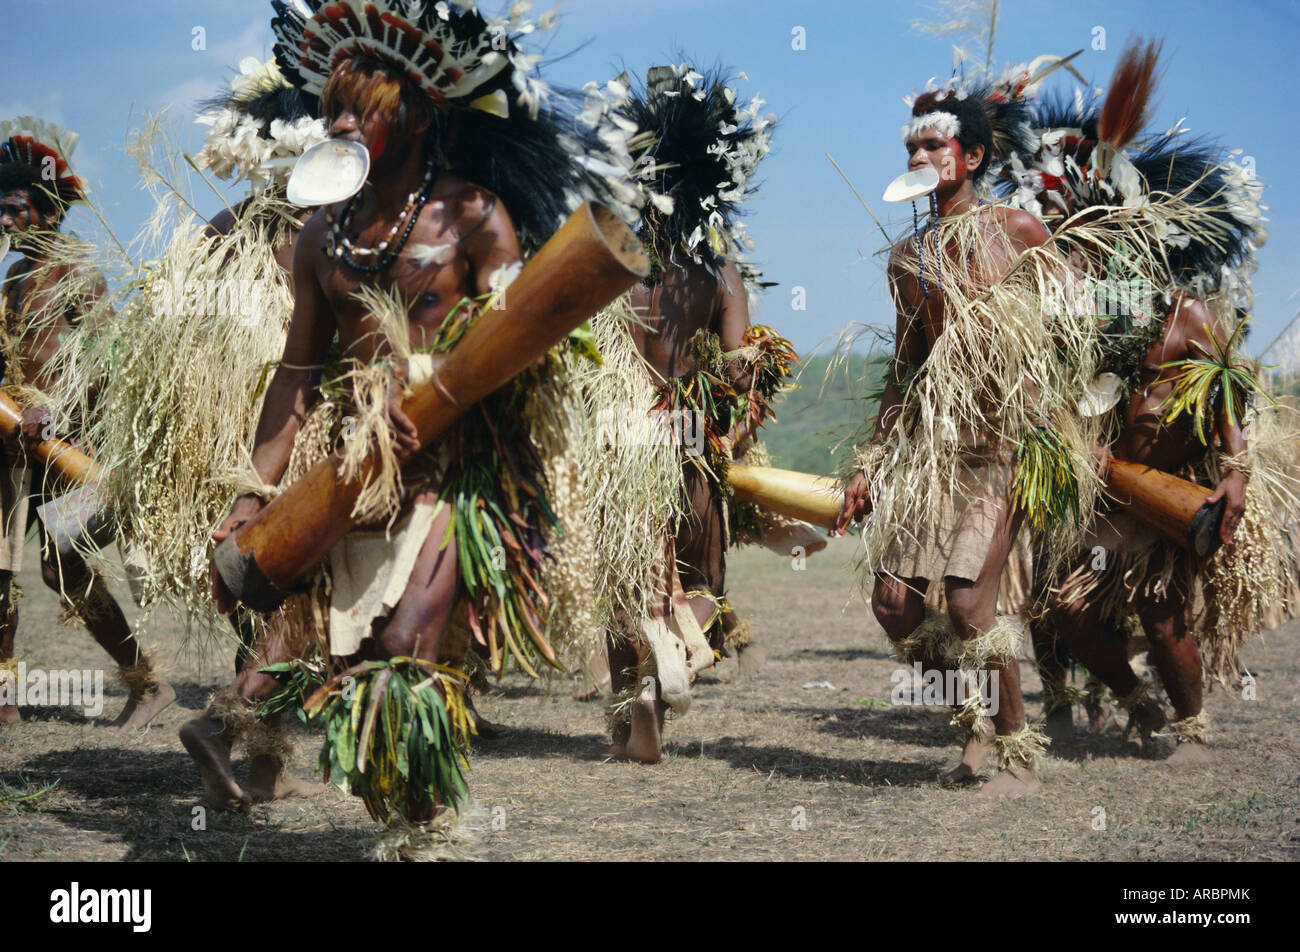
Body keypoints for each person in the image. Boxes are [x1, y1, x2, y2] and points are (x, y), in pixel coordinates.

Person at [835, 77, 1101, 797]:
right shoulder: (907, 259)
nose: (921, 154)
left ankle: (1015, 752)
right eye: (912, 144)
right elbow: (904, 366)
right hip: (930, 448)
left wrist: (1051, 395)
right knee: (895, 606)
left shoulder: (1017, 232)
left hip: (1005, 446)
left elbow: (1077, 325)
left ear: (973, 154)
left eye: (934, 143)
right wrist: (872, 460)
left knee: (967, 606)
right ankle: (972, 721)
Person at [0, 117, 174, 729]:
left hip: (77, 447)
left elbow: (106, 355)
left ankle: (148, 686)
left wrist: (57, 409)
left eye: (16, 208)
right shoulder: (14, 280)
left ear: (47, 213)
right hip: (25, 452)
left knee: (59, 564)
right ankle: (15, 700)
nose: (4, 220)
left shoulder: (77, 266)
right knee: (29, 571)